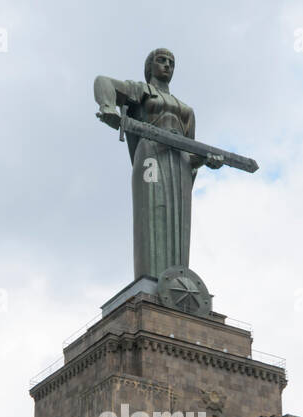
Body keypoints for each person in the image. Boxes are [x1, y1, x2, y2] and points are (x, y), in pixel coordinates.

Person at [94, 49, 224, 281]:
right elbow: (103, 82)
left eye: (171, 63)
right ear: (149, 67)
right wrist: (108, 108)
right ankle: (150, 281)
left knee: (180, 220)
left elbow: (191, 151)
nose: (167, 65)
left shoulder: (187, 110)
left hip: (180, 164)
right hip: (151, 154)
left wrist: (206, 160)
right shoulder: (141, 90)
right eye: (161, 61)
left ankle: (177, 280)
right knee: (152, 210)